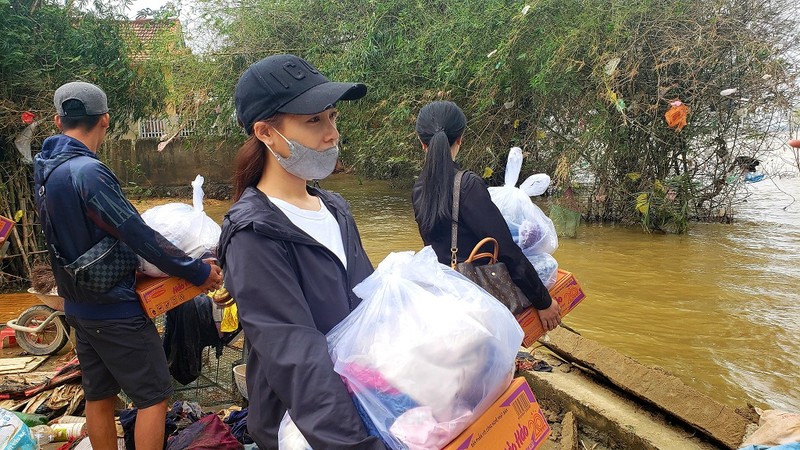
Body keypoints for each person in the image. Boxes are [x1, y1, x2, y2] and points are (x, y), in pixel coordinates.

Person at [33, 81, 223, 450]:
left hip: (79, 307)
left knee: (99, 396)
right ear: (105, 120)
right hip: (114, 309)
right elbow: (138, 234)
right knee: (153, 397)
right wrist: (197, 270)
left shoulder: (47, 172)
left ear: (58, 121)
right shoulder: (87, 172)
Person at [217, 54, 385, 449]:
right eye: (314, 120)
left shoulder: (336, 208)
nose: (332, 134)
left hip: (364, 401)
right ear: (267, 133)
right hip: (308, 429)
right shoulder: (253, 234)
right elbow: (297, 357)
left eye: (333, 117)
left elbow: (372, 307)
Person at [411, 101, 562, 330]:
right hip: (479, 297)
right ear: (460, 139)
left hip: (446, 293)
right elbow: (506, 250)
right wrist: (544, 301)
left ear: (422, 144)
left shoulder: (419, 189)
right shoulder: (467, 184)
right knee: (547, 267)